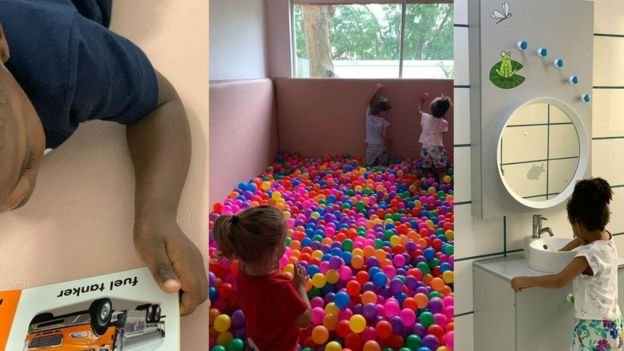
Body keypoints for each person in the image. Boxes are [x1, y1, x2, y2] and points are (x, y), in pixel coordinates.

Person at [0, 0, 207, 314]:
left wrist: (157, 214)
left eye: (27, 158)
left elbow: (160, 104)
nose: (15, 197)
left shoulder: (62, 59)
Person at [511, 178, 622, 350]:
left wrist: (527, 280)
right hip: (613, 324)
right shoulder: (606, 237)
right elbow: (582, 239)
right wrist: (563, 250)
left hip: (593, 329)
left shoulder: (587, 256)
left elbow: (559, 280)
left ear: (577, 226)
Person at [212, 205, 312, 351]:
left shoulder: (242, 271)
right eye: (283, 241)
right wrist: (300, 287)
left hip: (255, 343)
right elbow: (305, 320)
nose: (285, 245)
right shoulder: (280, 287)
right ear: (274, 250)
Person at [417, 93, 451, 180]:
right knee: (441, 168)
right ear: (444, 112)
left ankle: (424, 182)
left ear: (431, 109)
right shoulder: (444, 123)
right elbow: (443, 132)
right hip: (437, 148)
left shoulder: (425, 117)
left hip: (425, 147)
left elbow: (419, 111)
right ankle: (442, 182)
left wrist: (422, 101)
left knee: (426, 167)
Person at [365, 83, 394, 167]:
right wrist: (390, 143)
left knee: (369, 165)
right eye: (385, 111)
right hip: (381, 146)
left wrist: (376, 89)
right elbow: (384, 137)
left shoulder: (368, 115)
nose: (387, 112)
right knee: (382, 165)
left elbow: (369, 102)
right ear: (379, 110)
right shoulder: (384, 122)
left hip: (371, 146)